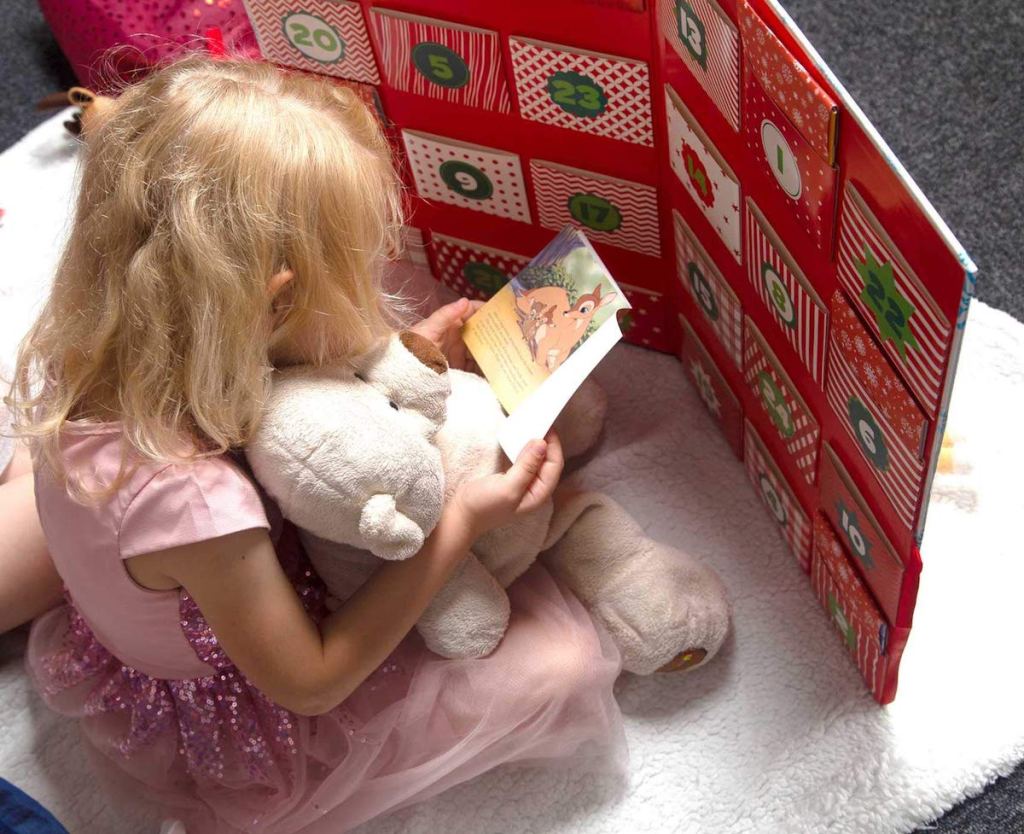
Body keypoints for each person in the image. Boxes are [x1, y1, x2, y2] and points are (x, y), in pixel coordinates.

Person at [0, 56, 627, 833]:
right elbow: (313, 682)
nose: (372, 289)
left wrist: (409, 359)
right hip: (260, 685)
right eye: (354, 275)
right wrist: (465, 521)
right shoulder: (202, 506)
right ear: (269, 309)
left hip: (144, 570)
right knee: (558, 670)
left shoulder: (100, 346)